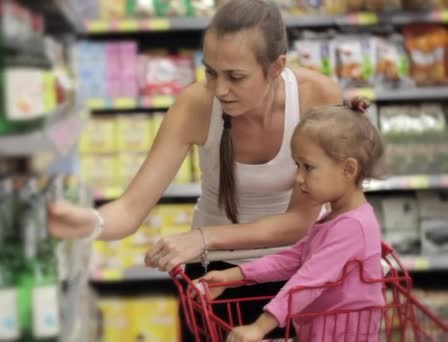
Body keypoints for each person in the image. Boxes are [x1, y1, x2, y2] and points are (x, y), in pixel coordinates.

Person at [47, 0, 342, 339]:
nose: (219, 90)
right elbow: (131, 208)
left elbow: (299, 221)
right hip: (213, 281)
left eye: (236, 76)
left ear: (276, 67)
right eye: (211, 72)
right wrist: (92, 222)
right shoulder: (196, 104)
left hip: (299, 272)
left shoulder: (316, 96)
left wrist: (202, 237)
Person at [196, 97, 385, 342]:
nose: (298, 178)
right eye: (297, 166)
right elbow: (295, 258)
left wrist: (260, 327)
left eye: (308, 167)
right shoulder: (335, 218)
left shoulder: (353, 228)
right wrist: (232, 276)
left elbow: (309, 281)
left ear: (348, 170)